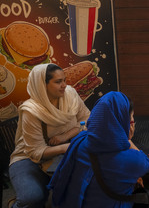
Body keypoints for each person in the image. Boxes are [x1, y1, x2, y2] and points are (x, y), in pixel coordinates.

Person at [48, 91, 149, 208]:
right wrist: (126, 138)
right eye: (131, 120)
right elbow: (147, 163)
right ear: (124, 123)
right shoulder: (132, 160)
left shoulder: (80, 140)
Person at [8, 63, 90, 208]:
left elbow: (87, 119)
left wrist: (66, 136)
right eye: (58, 82)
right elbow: (35, 151)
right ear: (42, 85)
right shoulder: (31, 110)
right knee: (32, 198)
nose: (64, 85)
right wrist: (67, 147)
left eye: (64, 80)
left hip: (62, 153)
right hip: (27, 158)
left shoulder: (70, 94)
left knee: (84, 190)